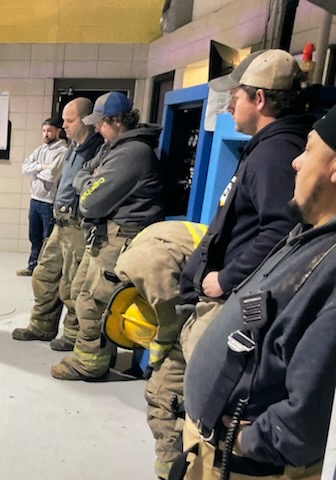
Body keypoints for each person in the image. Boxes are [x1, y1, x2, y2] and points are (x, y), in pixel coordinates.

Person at [144, 49, 315, 479]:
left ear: (260, 99)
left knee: (190, 405)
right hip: (223, 301)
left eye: (236, 96)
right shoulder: (269, 148)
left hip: (232, 304)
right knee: (177, 396)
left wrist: (225, 279)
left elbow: (281, 231)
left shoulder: (276, 153)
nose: (229, 106)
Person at [173, 105, 336, 480]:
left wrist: (247, 440)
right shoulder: (307, 236)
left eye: (309, 149)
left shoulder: (330, 265)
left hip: (245, 465)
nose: (295, 162)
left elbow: (310, 415)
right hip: (218, 450)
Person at [50, 91, 165, 380]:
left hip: (120, 237)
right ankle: (94, 352)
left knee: (94, 301)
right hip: (104, 234)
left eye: (101, 123)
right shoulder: (111, 147)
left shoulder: (132, 153)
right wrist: (88, 179)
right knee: (79, 291)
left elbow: (91, 202)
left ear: (116, 121)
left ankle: (90, 364)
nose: (97, 129)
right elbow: (85, 172)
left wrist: (87, 183)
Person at [12, 97, 103, 351]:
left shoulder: (97, 150)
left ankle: (72, 335)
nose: (64, 126)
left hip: (77, 225)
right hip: (60, 223)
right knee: (44, 274)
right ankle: (42, 326)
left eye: (69, 120)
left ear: (86, 121)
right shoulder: (74, 146)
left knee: (72, 283)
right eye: (63, 120)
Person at [17, 117, 67, 276]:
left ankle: (45, 271)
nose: (46, 134)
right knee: (34, 236)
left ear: (58, 131)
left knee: (47, 238)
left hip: (48, 202)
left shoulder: (62, 151)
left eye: (49, 131)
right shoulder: (40, 150)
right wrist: (40, 167)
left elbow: (51, 175)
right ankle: (32, 266)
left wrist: (35, 171)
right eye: (44, 131)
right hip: (35, 199)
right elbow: (24, 168)